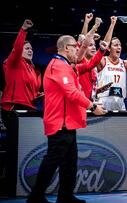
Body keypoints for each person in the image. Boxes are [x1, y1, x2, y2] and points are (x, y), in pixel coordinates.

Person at [26, 35, 106, 203]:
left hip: (67, 123)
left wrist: (102, 51)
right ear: (65, 48)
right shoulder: (59, 67)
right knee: (52, 161)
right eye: (74, 47)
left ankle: (65, 196)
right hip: (59, 123)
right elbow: (71, 92)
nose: (77, 49)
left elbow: (89, 65)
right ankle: (35, 197)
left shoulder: (66, 66)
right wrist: (92, 106)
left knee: (69, 163)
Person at [0, 19, 42, 197]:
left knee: (25, 149)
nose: (30, 50)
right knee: (14, 149)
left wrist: (39, 95)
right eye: (27, 48)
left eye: (32, 48)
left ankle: (22, 185)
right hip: (13, 110)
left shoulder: (33, 70)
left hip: (28, 111)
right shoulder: (13, 63)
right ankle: (8, 186)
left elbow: (31, 92)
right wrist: (23, 30)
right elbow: (17, 48)